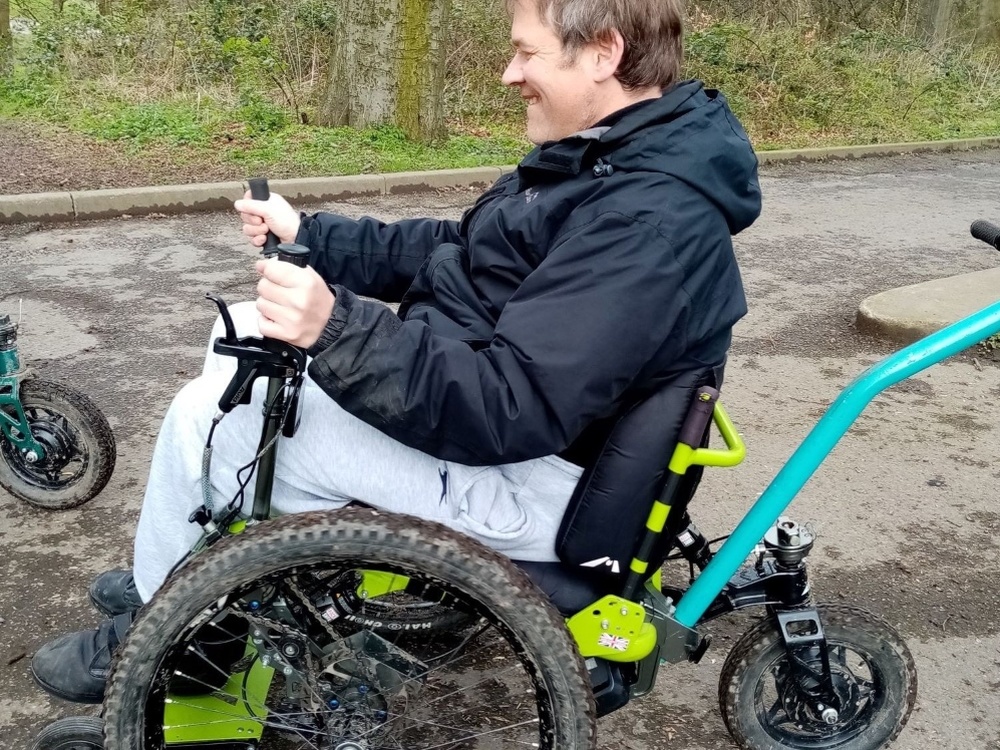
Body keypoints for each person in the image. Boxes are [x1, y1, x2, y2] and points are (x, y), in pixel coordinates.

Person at [30, 0, 761, 703]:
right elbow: (466, 255)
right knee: (243, 336)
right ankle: (191, 569)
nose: (509, 72)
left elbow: (512, 406)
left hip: (533, 483)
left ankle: (182, 644)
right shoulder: (603, 158)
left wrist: (335, 327)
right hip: (507, 435)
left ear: (604, 52)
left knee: (215, 415)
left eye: (525, 51)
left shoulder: (643, 221)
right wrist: (311, 235)